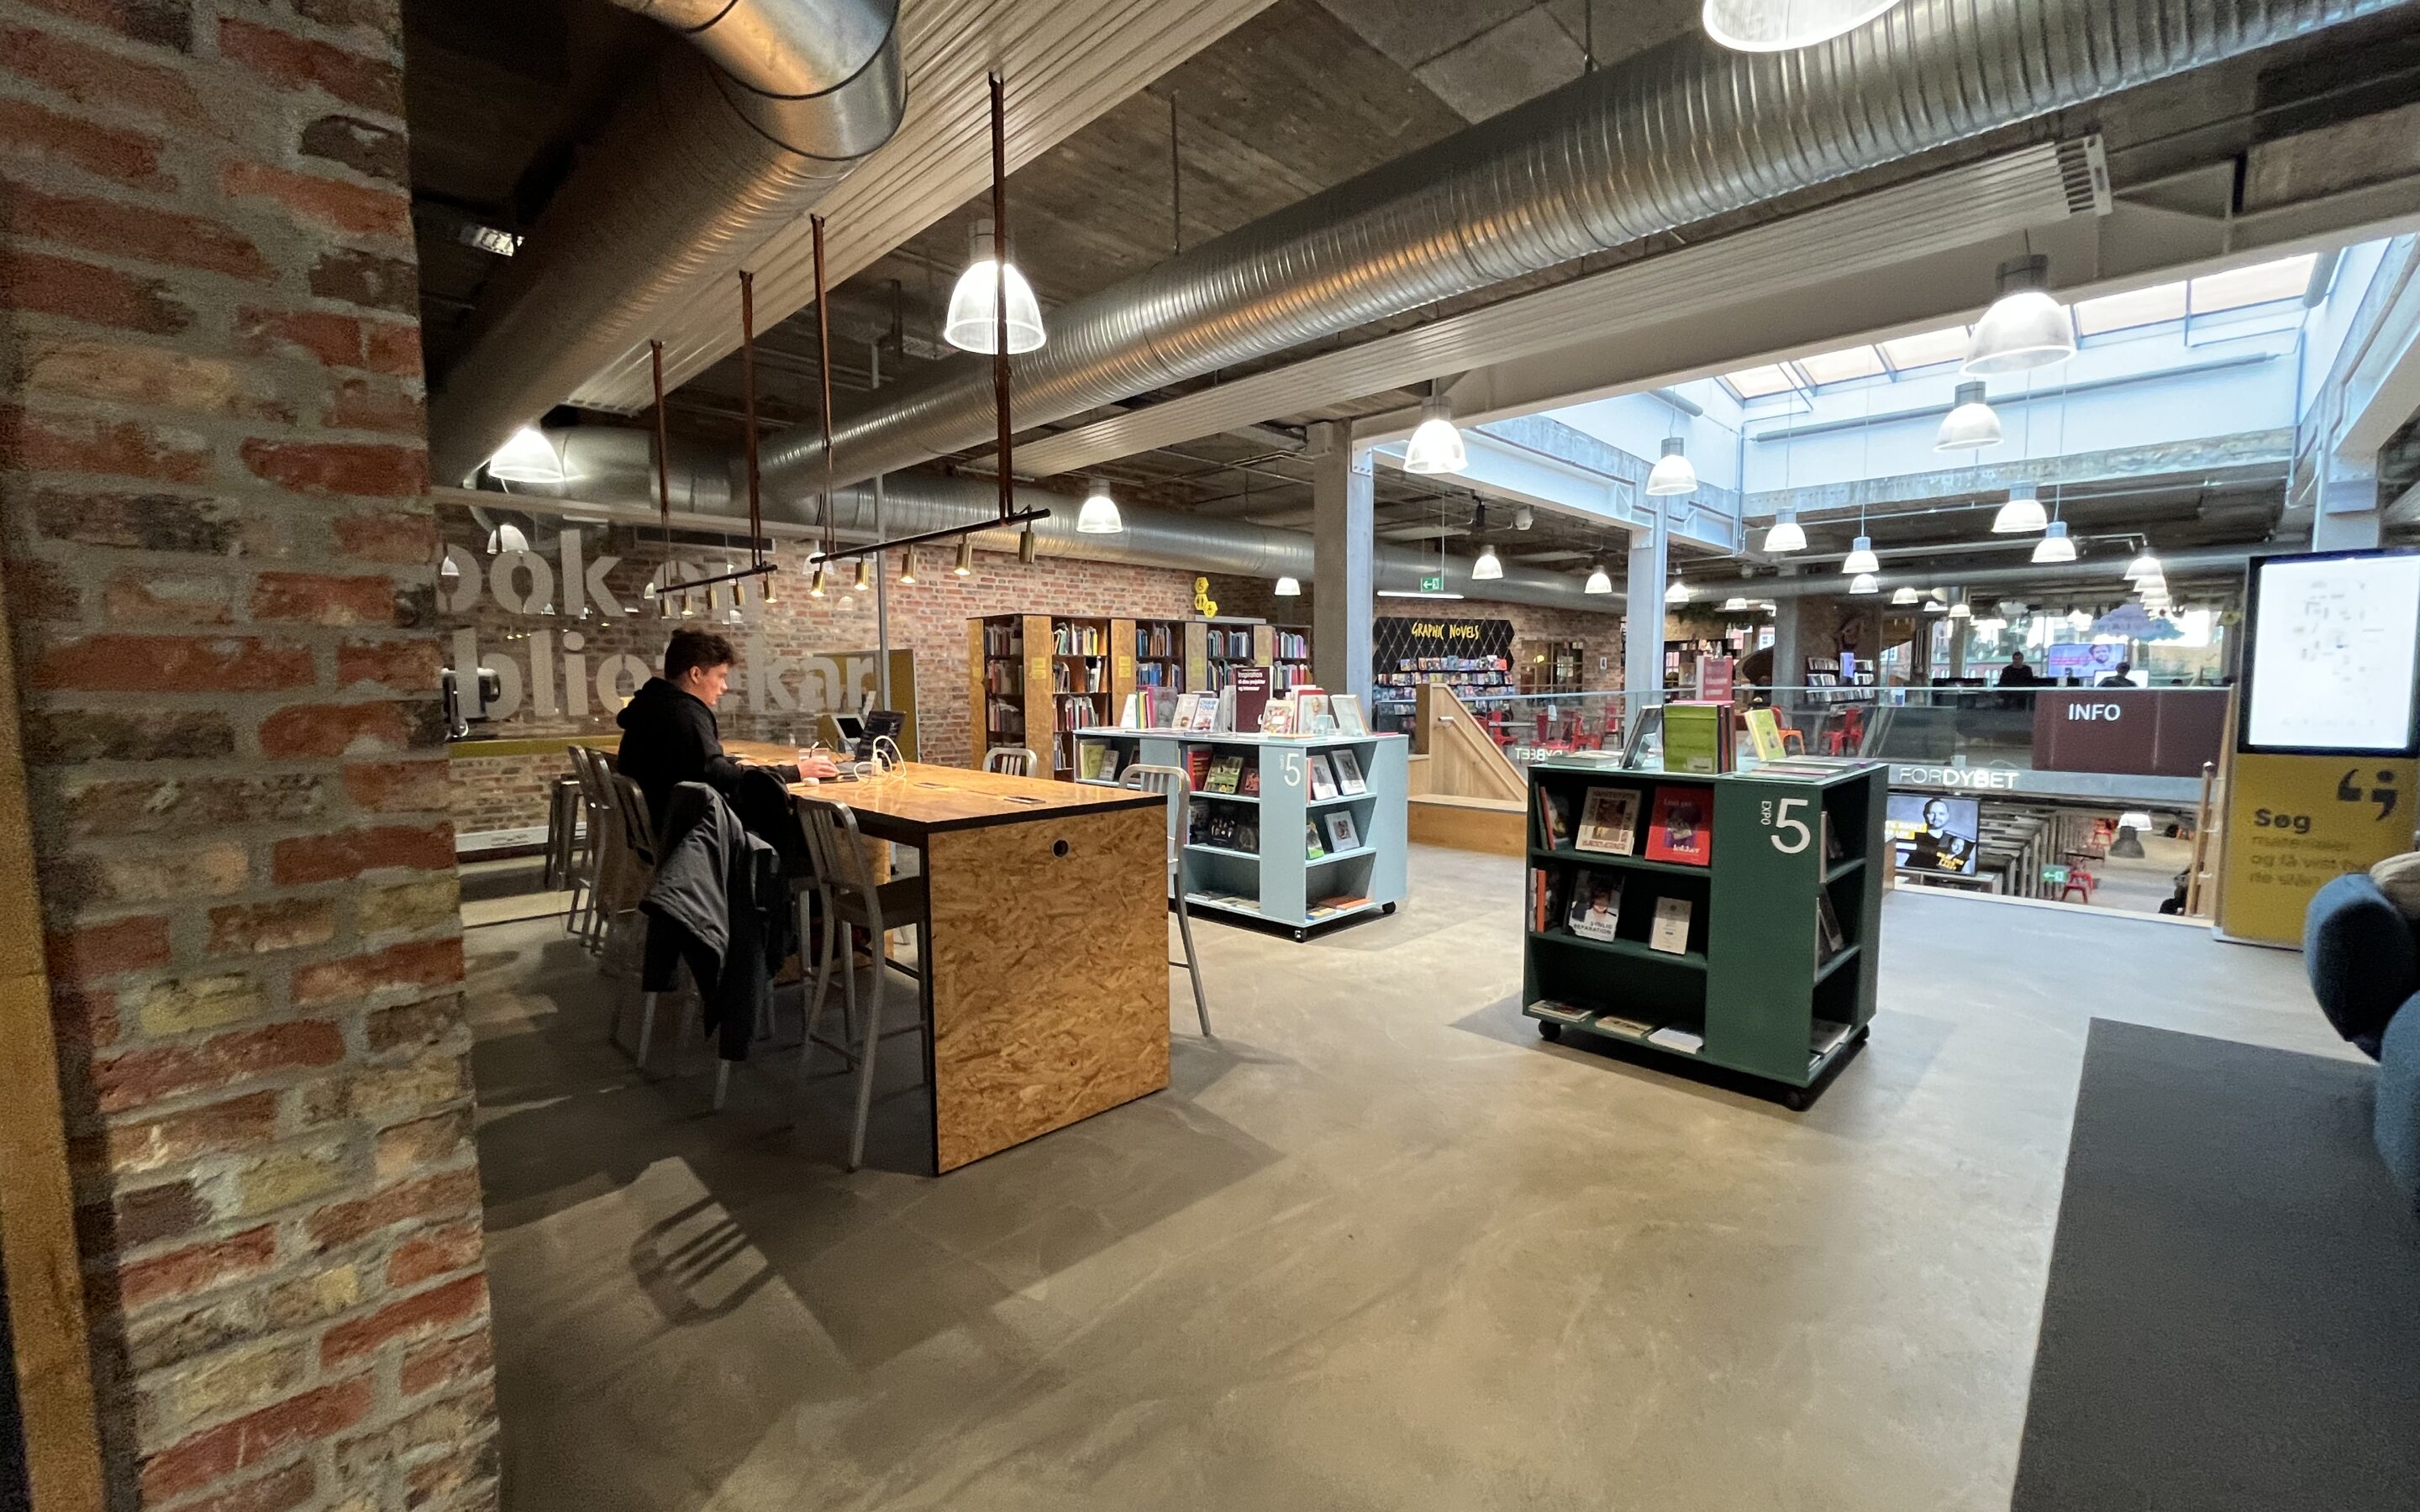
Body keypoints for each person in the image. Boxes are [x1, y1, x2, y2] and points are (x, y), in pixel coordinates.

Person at [616, 627, 836, 824]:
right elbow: (717, 775)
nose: (725, 686)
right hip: (692, 836)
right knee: (795, 823)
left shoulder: (652, 705)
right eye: (720, 676)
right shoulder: (684, 713)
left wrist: (736, 764)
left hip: (664, 825)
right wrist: (796, 771)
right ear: (695, 674)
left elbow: (696, 763)